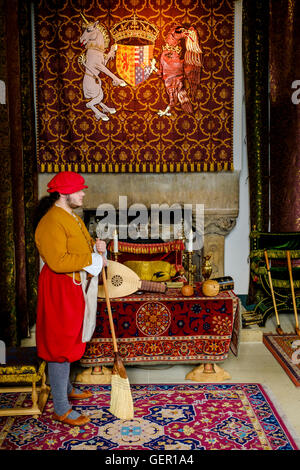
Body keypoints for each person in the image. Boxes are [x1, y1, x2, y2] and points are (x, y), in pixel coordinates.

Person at [34, 171, 107, 426]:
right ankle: (61, 408)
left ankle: (64, 389)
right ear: (65, 194)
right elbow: (58, 261)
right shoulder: (51, 221)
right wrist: (92, 259)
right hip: (59, 287)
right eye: (79, 190)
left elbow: (81, 246)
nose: (83, 193)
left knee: (70, 336)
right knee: (59, 344)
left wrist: (95, 247)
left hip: (73, 285)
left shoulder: (71, 216)